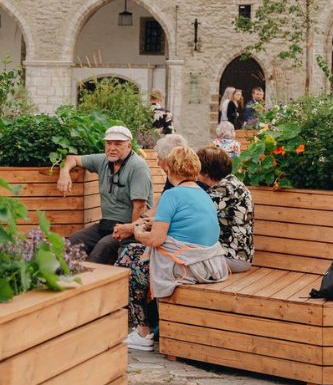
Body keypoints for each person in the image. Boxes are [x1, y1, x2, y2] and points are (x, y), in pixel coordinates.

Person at [117, 146, 229, 350]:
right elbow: (182, 226)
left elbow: (156, 240)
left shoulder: (172, 195)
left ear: (170, 169)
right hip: (210, 263)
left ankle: (142, 331)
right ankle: (149, 323)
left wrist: (138, 233)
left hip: (188, 266)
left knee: (129, 265)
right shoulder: (201, 193)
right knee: (131, 255)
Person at [58, 125, 155, 265]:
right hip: (107, 224)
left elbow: (140, 206)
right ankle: (61, 281)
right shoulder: (103, 160)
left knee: (102, 248)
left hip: (130, 227)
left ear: (129, 145)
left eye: (118, 144)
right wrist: (64, 172)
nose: (112, 148)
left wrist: (131, 232)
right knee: (73, 241)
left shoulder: (138, 167)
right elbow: (72, 158)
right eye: (109, 143)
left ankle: (91, 283)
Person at [196, 145, 254, 273]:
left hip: (232, 257)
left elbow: (194, 216)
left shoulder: (223, 190)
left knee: (177, 262)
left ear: (206, 172)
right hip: (231, 255)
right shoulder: (229, 182)